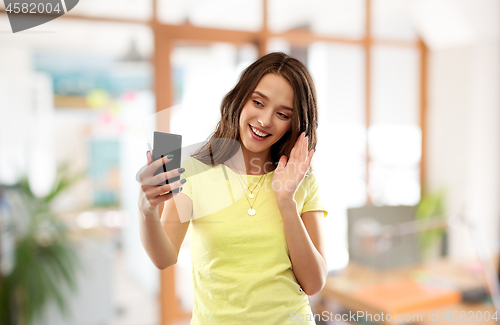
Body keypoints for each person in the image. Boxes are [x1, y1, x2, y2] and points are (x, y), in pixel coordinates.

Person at [138, 52, 328, 324]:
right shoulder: (194, 172)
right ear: (240, 99)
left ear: (294, 124)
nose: (264, 120)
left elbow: (313, 283)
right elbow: (164, 257)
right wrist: (145, 210)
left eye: (282, 114)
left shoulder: (303, 180)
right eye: (258, 102)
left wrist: (287, 202)